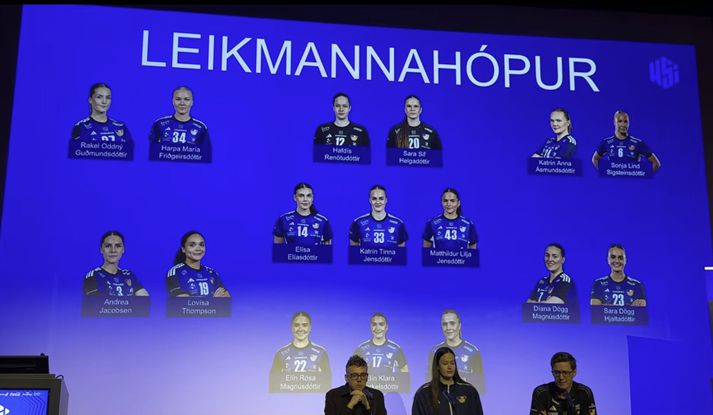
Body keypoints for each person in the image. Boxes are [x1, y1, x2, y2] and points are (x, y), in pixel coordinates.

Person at [412, 346, 483, 415]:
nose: (449, 367)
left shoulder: (469, 391)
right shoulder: (424, 393)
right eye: (445, 363)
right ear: (437, 366)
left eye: (452, 363)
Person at [427, 310, 484, 393]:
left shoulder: (473, 352)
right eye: (444, 324)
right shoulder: (434, 351)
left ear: (459, 325)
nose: (448, 328)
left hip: (465, 397)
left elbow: (480, 386)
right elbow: (429, 381)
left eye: (452, 323)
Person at [166, 231, 230, 297]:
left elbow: (226, 297)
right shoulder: (175, 272)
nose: (198, 249)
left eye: (201, 245)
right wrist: (213, 300)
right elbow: (182, 301)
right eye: (192, 245)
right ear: (183, 249)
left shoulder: (212, 273)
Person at [591, 110, 661, 171]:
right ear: (614, 122)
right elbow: (595, 159)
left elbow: (656, 163)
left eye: (625, 122)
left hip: (632, 182)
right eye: (619, 121)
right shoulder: (606, 142)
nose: (623, 124)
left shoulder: (638, 143)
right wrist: (605, 172)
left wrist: (643, 176)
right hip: (613, 181)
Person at [529, 352, 597, 415]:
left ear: (574, 373)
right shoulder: (541, 393)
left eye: (565, 373)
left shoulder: (584, 393)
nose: (561, 377)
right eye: (557, 373)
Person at [84, 231, 148, 296]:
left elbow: (144, 299)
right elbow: (94, 302)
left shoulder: (129, 275)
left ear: (123, 249)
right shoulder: (93, 276)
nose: (113, 250)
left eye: (118, 246)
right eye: (108, 246)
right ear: (101, 249)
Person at [271, 311, 331, 375]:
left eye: (304, 325)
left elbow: (327, 379)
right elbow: (273, 379)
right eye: (296, 325)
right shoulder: (280, 353)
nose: (300, 329)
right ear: (292, 328)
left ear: (310, 327)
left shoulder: (321, 353)